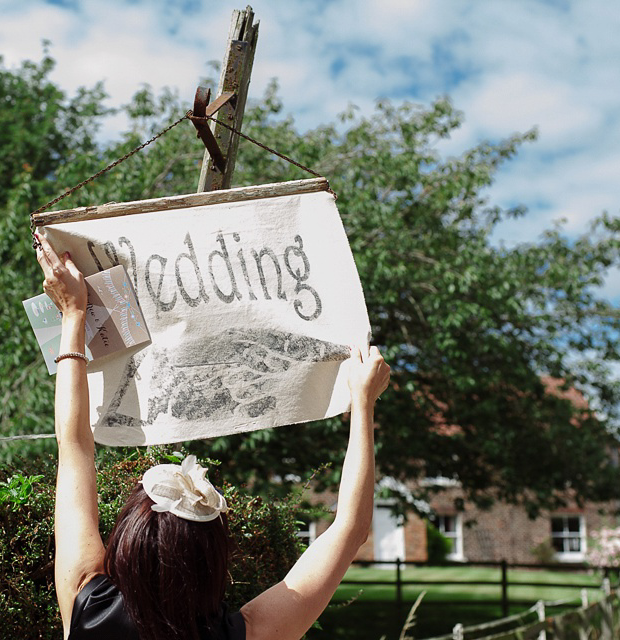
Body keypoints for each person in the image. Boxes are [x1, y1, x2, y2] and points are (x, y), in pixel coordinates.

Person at [34, 229, 390, 640]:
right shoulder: (248, 633)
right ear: (212, 559)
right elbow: (350, 531)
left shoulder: (87, 602)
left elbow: (74, 446)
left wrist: (74, 314)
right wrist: (362, 406)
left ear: (126, 544)